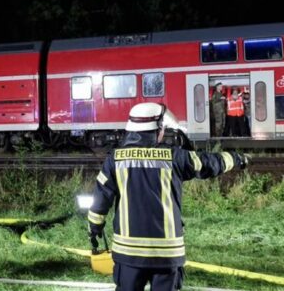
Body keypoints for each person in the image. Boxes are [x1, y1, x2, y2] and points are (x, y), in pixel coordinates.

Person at [87, 102, 248, 291]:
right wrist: (238, 159)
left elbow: (100, 200)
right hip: (167, 254)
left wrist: (94, 229)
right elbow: (210, 163)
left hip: (128, 254)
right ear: (159, 131)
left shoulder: (115, 160)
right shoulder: (175, 157)